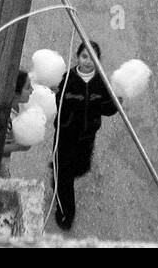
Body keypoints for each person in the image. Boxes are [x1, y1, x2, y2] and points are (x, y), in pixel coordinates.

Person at [50, 42, 119, 231]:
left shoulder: (101, 82)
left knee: (79, 168)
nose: (88, 62)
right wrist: (51, 92)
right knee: (66, 177)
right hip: (65, 136)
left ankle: (56, 176)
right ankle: (66, 214)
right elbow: (53, 104)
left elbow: (106, 109)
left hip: (87, 138)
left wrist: (117, 100)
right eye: (84, 56)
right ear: (77, 57)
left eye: (92, 57)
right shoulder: (66, 79)